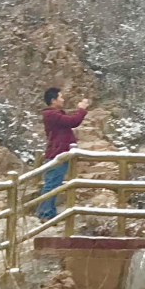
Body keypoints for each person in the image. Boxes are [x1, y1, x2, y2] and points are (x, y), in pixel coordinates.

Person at [38, 86, 90, 221]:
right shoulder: (51, 114)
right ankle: (45, 213)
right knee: (51, 184)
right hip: (57, 153)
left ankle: (47, 212)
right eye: (60, 97)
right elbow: (73, 122)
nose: (63, 99)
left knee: (53, 183)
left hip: (58, 151)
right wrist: (81, 109)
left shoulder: (54, 114)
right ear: (53, 100)